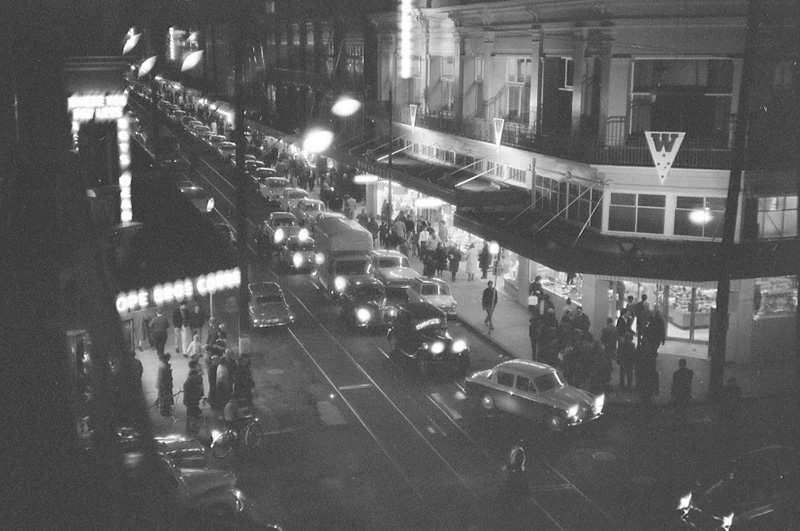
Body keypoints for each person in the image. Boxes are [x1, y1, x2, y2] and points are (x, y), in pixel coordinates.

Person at [671, 358, 694, 424]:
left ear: (679, 364)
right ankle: (683, 419)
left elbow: (674, 384)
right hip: (686, 391)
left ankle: (678, 419)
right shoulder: (690, 372)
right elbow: (689, 382)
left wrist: (672, 393)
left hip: (678, 391)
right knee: (684, 405)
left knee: (678, 405)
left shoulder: (676, 373)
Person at [183, 368, 204, 433]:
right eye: (195, 375)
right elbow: (190, 394)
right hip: (190, 402)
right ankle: (189, 428)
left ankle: (192, 427)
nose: (196, 377)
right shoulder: (188, 383)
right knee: (190, 414)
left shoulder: (192, 381)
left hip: (193, 401)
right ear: (192, 375)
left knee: (193, 414)